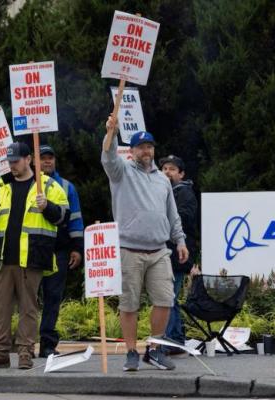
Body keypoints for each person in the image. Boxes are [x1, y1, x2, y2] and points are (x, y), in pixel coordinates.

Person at [101, 116, 188, 372]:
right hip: (129, 249)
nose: (146, 150)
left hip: (160, 250)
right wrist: (111, 132)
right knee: (129, 304)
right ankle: (130, 352)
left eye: (149, 146)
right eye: (141, 147)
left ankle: (154, 349)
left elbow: (172, 214)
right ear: (133, 151)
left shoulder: (163, 179)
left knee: (164, 300)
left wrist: (180, 240)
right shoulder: (121, 172)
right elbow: (108, 156)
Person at [0, 142, 69, 370]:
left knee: (28, 307)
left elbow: (63, 217)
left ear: (29, 160)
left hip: (32, 256)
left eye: (16, 161)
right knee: (0, 307)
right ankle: (0, 352)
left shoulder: (48, 185)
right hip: (2, 257)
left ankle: (25, 352)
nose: (12, 165)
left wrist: (47, 206)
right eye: (10, 161)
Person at [38, 144, 84, 358]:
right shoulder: (27, 184)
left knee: (53, 297)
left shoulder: (66, 187)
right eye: (43, 158)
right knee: (28, 299)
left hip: (58, 250)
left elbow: (75, 219)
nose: (47, 161)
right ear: (33, 161)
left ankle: (47, 344)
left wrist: (77, 248)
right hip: (31, 250)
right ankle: (25, 344)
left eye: (50, 158)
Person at [159, 155, 198, 354]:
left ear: (181, 174)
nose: (167, 172)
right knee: (168, 297)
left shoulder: (184, 193)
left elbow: (182, 220)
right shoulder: (164, 192)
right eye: (164, 168)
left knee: (169, 297)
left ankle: (173, 339)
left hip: (177, 255)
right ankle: (175, 337)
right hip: (166, 254)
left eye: (172, 169)